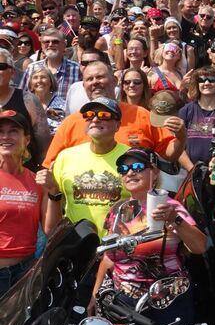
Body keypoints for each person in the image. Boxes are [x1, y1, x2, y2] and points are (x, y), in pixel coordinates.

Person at [91, 148, 207, 325]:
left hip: (165, 301)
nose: (129, 173)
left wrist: (175, 221)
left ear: (153, 172)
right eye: (123, 169)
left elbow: (200, 247)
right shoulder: (118, 211)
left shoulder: (171, 207)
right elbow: (109, 257)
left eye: (137, 167)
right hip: (125, 304)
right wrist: (95, 294)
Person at [40, 97, 128, 230]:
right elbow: (50, 227)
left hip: (117, 246)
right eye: (89, 115)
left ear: (118, 125)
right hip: (76, 245)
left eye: (104, 115)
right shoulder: (65, 157)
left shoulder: (131, 157)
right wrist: (52, 190)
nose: (95, 119)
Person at [0, 110, 46, 296]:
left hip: (25, 272)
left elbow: (49, 229)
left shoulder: (37, 181)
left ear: (27, 139)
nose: (5, 137)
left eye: (13, 131)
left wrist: (54, 194)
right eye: (0, 131)